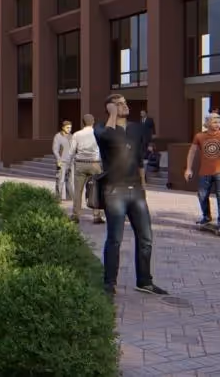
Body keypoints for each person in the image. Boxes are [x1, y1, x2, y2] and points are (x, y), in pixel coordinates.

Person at [95, 94, 168, 297]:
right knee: (115, 239)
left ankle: (145, 281)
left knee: (146, 238)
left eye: (125, 102)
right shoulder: (101, 127)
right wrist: (112, 114)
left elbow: (139, 158)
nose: (125, 105)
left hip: (136, 191)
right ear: (109, 107)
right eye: (119, 103)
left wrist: (143, 185)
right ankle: (109, 284)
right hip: (114, 191)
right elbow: (106, 138)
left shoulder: (137, 128)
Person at [184, 113, 220, 236]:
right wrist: (188, 169)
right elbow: (192, 152)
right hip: (205, 171)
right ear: (207, 123)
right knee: (202, 195)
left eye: (218, 121)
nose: (217, 124)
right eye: (214, 122)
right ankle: (206, 216)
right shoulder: (199, 136)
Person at [70, 114, 104, 224]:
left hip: (80, 164)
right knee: (96, 190)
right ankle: (96, 216)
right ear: (93, 122)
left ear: (82, 122)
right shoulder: (98, 133)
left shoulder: (76, 134)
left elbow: (71, 151)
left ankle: (75, 215)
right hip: (95, 164)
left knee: (78, 191)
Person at [51, 121, 74, 201]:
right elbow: (55, 149)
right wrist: (58, 159)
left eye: (70, 127)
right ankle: (58, 198)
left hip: (71, 162)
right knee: (60, 180)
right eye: (67, 127)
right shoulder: (58, 136)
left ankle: (70, 198)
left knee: (70, 181)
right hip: (62, 162)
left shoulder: (72, 136)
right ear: (63, 127)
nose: (69, 129)